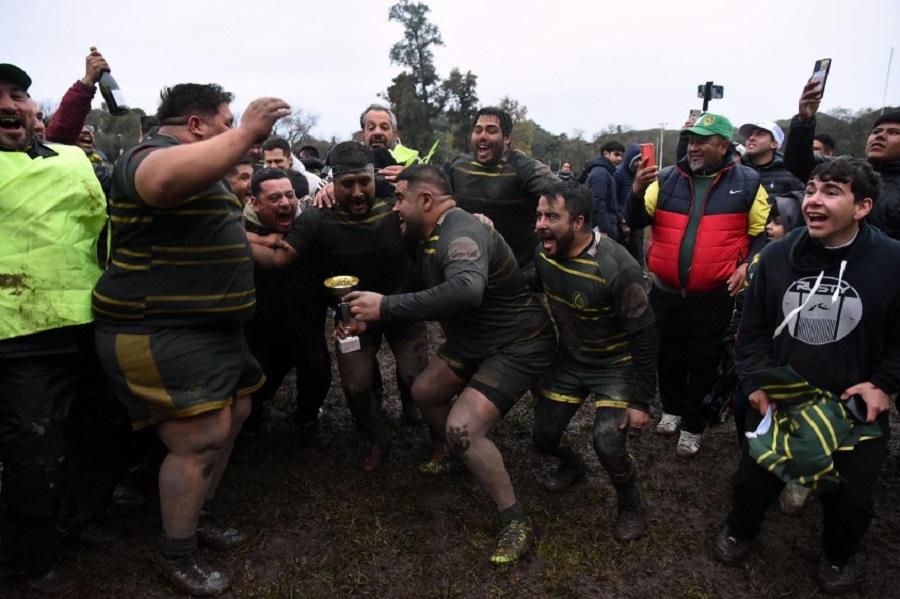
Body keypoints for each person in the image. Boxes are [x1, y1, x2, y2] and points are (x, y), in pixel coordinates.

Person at [91, 82, 291, 596]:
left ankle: (197, 513)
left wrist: (254, 240)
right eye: (225, 122)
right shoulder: (148, 154)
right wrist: (249, 130)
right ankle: (176, 552)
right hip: (158, 327)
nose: (234, 135)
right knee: (198, 438)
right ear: (196, 125)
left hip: (212, 329)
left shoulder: (204, 170)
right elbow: (158, 187)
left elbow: (197, 227)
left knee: (235, 415)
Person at [345, 165, 556, 565]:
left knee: (464, 428)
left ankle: (515, 519)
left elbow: (465, 290)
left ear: (426, 200)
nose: (395, 208)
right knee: (425, 391)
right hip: (473, 341)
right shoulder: (430, 233)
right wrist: (373, 314)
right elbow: (419, 285)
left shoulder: (460, 232)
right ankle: (460, 458)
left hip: (518, 342)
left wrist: (386, 305)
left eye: (400, 198)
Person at [713, 158, 900, 595]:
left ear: (863, 207)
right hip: (786, 399)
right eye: (812, 188)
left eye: (832, 191)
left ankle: (838, 556)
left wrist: (883, 383)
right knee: (750, 484)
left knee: (850, 502)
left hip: (854, 407)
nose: (814, 199)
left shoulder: (892, 262)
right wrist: (757, 383)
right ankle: (741, 531)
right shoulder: (778, 256)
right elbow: (752, 332)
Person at [248, 142, 429, 472]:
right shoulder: (318, 217)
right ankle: (377, 440)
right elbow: (279, 257)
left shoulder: (397, 207)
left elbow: (440, 206)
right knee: (356, 386)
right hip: (354, 317)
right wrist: (228, 232)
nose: (358, 192)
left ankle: (437, 436)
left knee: (420, 381)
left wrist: (475, 217)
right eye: (348, 184)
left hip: (402, 306)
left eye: (365, 182)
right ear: (333, 183)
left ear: (375, 178)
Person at [0, 63, 107, 595]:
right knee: (31, 451)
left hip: (91, 323)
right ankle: (32, 561)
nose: (8, 103)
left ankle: (77, 519)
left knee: (96, 430)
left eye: (18, 93)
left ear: (33, 110)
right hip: (18, 337)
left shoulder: (71, 158)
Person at [628, 112, 769, 457]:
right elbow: (634, 220)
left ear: (723, 145)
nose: (693, 146)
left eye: (702, 140)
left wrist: (748, 266)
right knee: (668, 356)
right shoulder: (665, 179)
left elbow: (762, 236)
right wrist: (635, 190)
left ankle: (693, 425)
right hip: (665, 291)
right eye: (690, 140)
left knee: (704, 362)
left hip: (713, 297)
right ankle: (673, 410)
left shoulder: (749, 183)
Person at [531, 180, 658, 542]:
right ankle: (573, 466)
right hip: (569, 361)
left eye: (551, 216)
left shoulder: (617, 266)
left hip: (615, 366)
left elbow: (645, 336)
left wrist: (640, 400)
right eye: (539, 214)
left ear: (579, 222)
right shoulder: (544, 252)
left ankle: (630, 503)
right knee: (543, 437)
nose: (540, 224)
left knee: (608, 442)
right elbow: (529, 284)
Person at [239, 168, 332, 457]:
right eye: (275, 197)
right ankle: (247, 429)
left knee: (318, 369)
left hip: (305, 317)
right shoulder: (239, 227)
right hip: (258, 323)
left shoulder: (311, 221)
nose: (285, 203)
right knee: (254, 375)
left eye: (290, 195)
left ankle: (306, 420)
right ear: (255, 202)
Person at [784, 79, 900, 240]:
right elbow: (799, 162)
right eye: (877, 131)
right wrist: (804, 121)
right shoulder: (848, 170)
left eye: (894, 132)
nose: (880, 136)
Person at [446, 107, 558, 269]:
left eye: (491, 131)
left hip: (520, 266)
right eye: (478, 130)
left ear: (506, 138)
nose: (483, 136)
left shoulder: (525, 168)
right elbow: (435, 197)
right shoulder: (457, 166)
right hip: (469, 263)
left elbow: (569, 196)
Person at [738, 121, 803, 195]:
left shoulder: (789, 172)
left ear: (774, 144)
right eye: (750, 135)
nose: (751, 138)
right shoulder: (737, 168)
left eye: (760, 134)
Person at [581, 140, 625, 239]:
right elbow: (598, 202)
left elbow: (610, 202)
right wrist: (604, 228)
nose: (619, 158)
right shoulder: (601, 174)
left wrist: (619, 219)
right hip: (599, 229)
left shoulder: (607, 172)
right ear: (606, 153)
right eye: (616, 154)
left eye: (621, 156)